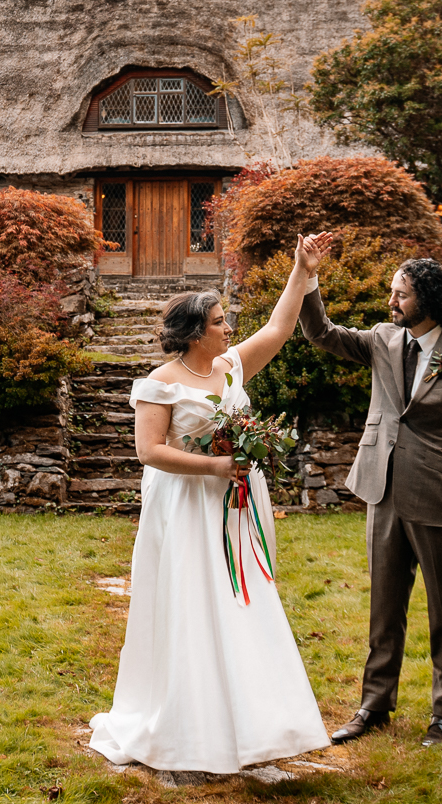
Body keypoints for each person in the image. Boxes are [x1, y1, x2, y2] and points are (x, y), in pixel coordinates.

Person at [87, 254, 330, 774]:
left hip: (238, 504)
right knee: (194, 601)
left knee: (243, 600)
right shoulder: (160, 382)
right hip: (187, 507)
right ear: (195, 332)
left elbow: (280, 326)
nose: (229, 329)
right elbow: (148, 452)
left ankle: (253, 719)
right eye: (219, 322)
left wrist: (300, 270)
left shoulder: (232, 366)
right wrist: (214, 464)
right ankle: (188, 724)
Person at [297, 234, 442, 748]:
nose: (390, 302)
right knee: (384, 606)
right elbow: (320, 332)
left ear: (429, 301)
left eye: (401, 295)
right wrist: (309, 278)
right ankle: (374, 706)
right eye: (392, 293)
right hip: (383, 490)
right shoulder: (381, 340)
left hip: (441, 498)